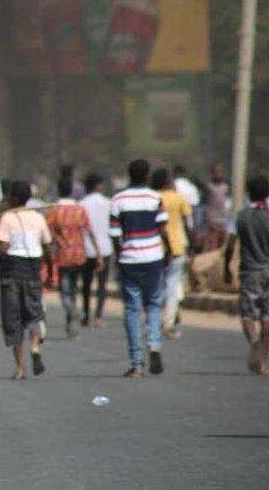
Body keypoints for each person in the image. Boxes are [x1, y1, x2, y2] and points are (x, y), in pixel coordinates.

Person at [110, 159, 172, 378]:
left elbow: (115, 235)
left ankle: (137, 364)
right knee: (154, 305)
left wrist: (119, 257)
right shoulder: (155, 198)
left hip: (129, 259)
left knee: (132, 310)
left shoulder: (118, 199)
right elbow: (163, 229)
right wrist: (169, 252)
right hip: (153, 257)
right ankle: (154, 344)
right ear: (147, 176)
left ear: (129, 175)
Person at [224, 175, 269, 376]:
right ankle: (262, 361)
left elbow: (230, 246)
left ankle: (253, 343)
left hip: (248, 271)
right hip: (268, 271)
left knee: (247, 313)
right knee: (267, 317)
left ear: (249, 193)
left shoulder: (240, 217)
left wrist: (226, 267)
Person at [0, 181, 53, 380]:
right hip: (33, 270)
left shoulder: (7, 218)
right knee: (34, 314)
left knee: (13, 320)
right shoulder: (38, 218)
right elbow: (47, 247)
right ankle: (35, 348)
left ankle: (20, 367)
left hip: (12, 272)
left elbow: (2, 247)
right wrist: (51, 272)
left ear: (15, 198)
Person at [47, 179, 101, 339]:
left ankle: (71, 311)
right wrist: (98, 254)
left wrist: (56, 242)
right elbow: (89, 231)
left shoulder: (55, 210)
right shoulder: (80, 210)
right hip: (79, 254)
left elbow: (47, 232)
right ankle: (72, 316)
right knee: (73, 286)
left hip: (63, 254)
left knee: (64, 290)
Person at [153, 168, 193, 339]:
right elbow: (188, 225)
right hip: (177, 247)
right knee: (172, 286)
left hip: (156, 248)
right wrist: (192, 247)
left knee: (159, 286)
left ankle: (157, 321)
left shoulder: (153, 197)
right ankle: (168, 322)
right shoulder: (179, 199)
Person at [79, 174, 113, 327]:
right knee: (102, 283)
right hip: (105, 248)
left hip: (86, 248)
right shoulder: (108, 203)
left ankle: (86, 314)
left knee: (86, 283)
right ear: (99, 185)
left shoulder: (81, 204)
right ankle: (98, 315)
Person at [203, 163, 231, 251]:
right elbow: (205, 203)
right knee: (213, 245)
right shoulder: (209, 187)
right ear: (212, 173)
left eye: (220, 172)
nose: (218, 174)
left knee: (223, 244)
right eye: (216, 172)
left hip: (224, 219)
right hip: (213, 219)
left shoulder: (226, 187)